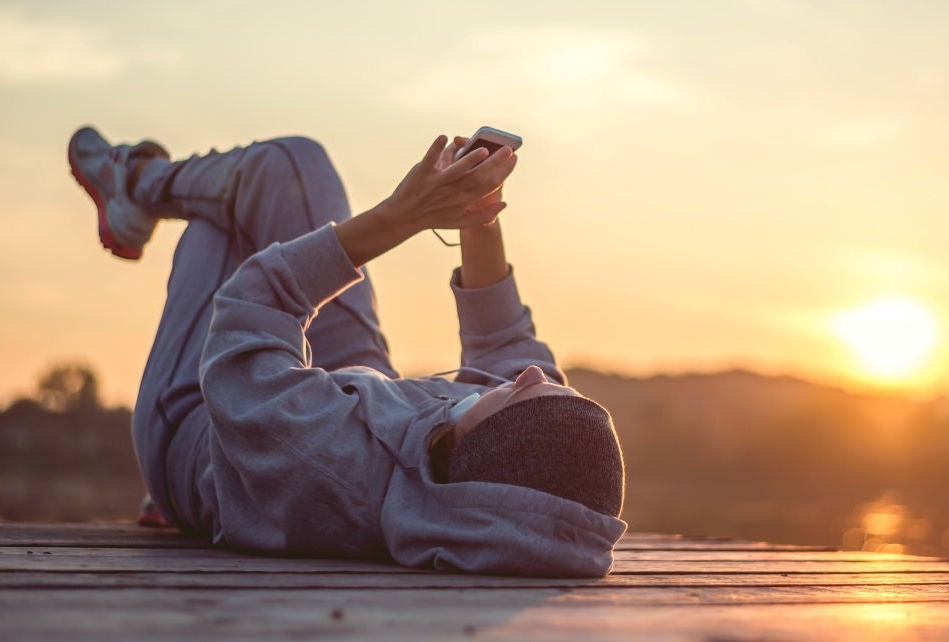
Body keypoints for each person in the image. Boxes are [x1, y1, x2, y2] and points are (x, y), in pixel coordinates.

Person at [66, 126, 626, 577]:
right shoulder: (483, 464)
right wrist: (477, 209)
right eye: (558, 393)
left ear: (474, 448)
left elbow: (253, 306)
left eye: (530, 395)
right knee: (285, 172)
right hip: (354, 391)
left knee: (246, 197)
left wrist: (404, 215)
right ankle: (137, 185)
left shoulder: (329, 465)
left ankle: (133, 183)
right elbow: (506, 340)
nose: (532, 375)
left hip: (199, 425)